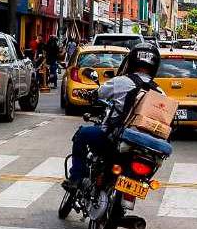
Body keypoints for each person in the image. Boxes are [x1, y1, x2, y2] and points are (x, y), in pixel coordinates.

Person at [66, 42, 164, 187]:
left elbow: (98, 94)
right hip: (142, 146)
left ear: (131, 62)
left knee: (82, 135)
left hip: (114, 138)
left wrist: (90, 96)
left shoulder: (121, 82)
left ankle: (76, 178)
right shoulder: (160, 92)